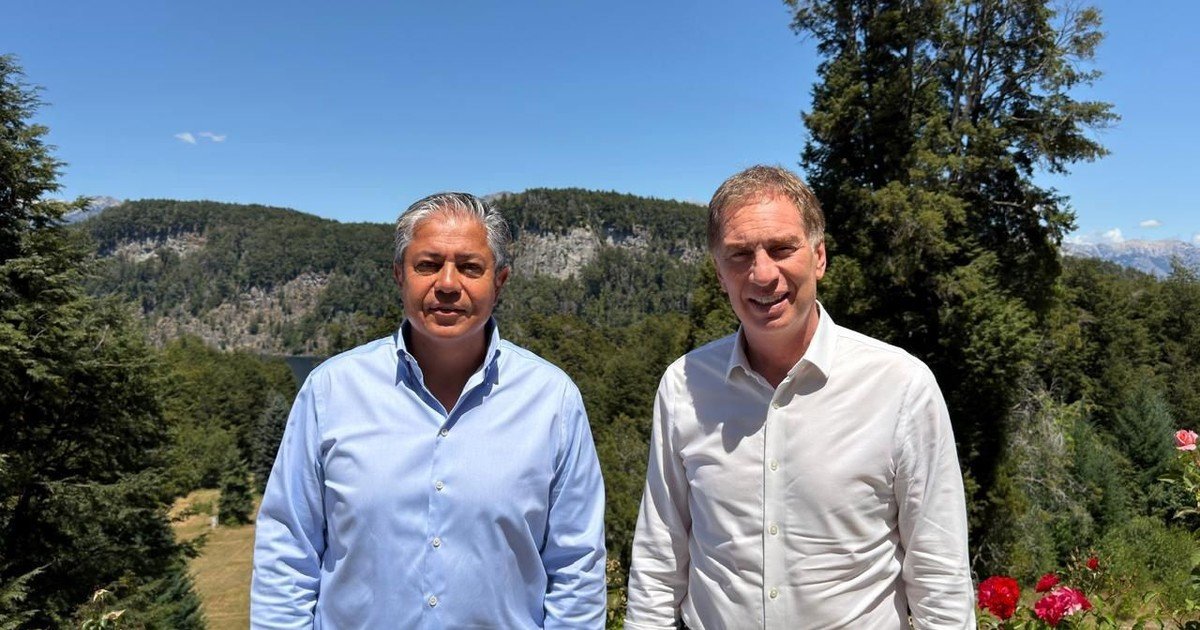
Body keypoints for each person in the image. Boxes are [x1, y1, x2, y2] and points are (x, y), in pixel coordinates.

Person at [624, 166, 974, 629]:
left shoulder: (900, 386)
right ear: (719, 274)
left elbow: (939, 572)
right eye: (739, 254)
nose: (762, 274)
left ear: (819, 257)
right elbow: (660, 555)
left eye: (782, 249)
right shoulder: (684, 384)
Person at [251, 192, 607, 629]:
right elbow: (287, 550)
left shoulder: (552, 401)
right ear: (399, 275)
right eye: (428, 264)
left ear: (500, 282)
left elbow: (576, 567)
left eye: (470, 267)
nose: (448, 283)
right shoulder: (330, 392)